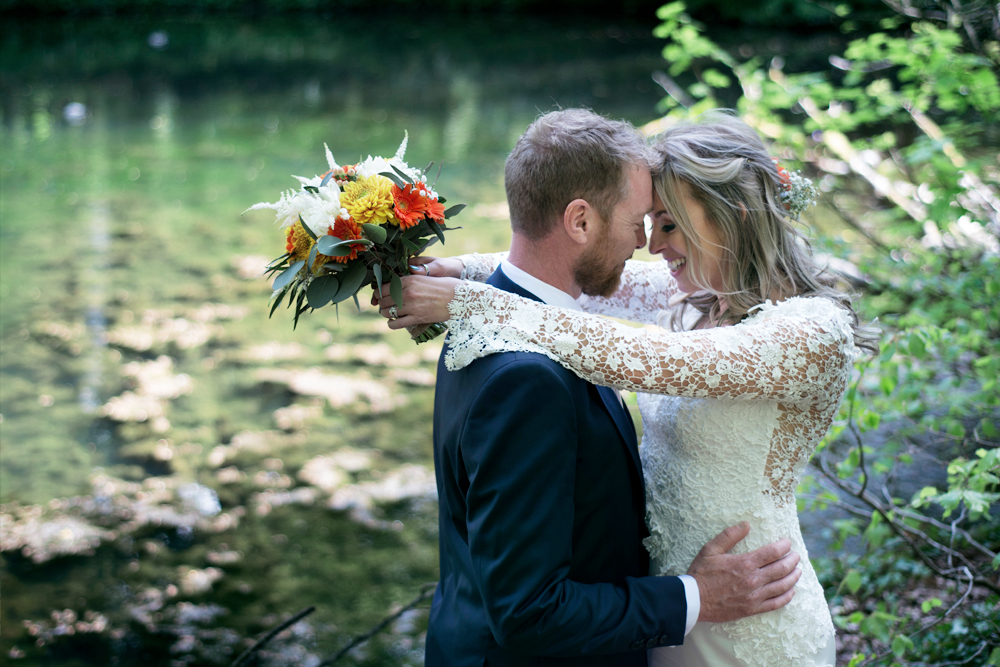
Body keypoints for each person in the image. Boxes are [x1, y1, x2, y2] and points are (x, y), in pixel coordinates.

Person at [378, 111, 879, 666]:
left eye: (668, 224)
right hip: (669, 612)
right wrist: (460, 271)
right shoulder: (702, 295)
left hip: (751, 611)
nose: (651, 245)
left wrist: (472, 302)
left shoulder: (809, 330)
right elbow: (568, 276)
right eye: (646, 220)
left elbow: (648, 358)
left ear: (732, 217)